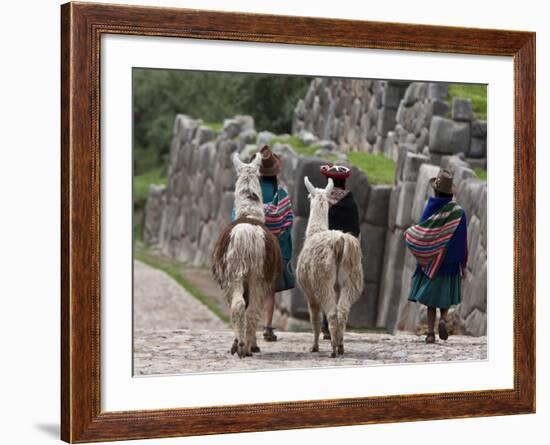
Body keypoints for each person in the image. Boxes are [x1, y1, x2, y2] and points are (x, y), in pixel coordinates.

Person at [232, 145, 295, 342]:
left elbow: (236, 216)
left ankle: (243, 331)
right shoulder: (281, 194)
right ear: (275, 172)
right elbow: (288, 222)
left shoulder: (250, 193)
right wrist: (281, 248)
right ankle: (267, 327)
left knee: (243, 284)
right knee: (268, 289)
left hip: (245, 240)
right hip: (271, 246)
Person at [404, 168, 468, 344]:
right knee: (445, 298)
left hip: (431, 262)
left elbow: (423, 231)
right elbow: (463, 241)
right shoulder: (459, 213)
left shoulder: (431, 207)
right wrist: (462, 264)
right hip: (450, 263)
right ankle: (444, 318)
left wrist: (410, 235)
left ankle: (431, 333)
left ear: (436, 190)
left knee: (431, 302)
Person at [318, 164, 360, 339]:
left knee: (326, 285)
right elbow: (355, 229)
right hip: (345, 249)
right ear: (344, 182)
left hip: (326, 248)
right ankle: (337, 324)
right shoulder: (350, 202)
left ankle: (326, 324)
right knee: (342, 287)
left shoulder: (322, 201)